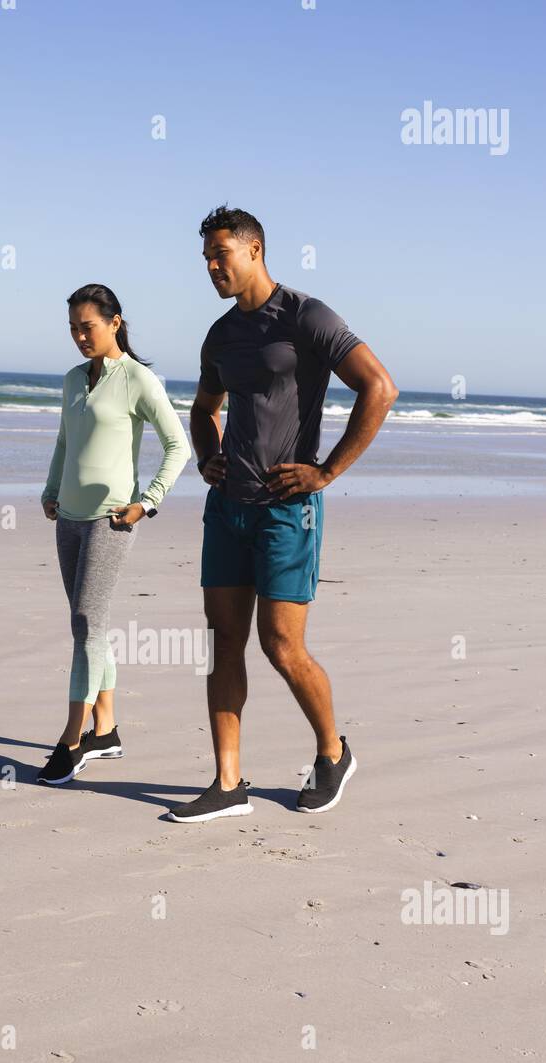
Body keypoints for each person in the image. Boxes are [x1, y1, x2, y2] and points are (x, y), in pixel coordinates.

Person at [167, 206, 398, 823]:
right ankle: (228, 782)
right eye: (207, 258)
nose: (213, 267)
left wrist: (326, 472)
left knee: (281, 645)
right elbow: (203, 406)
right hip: (229, 509)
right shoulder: (220, 334)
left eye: (222, 254)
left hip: (286, 511)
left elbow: (379, 386)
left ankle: (333, 751)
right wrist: (208, 456)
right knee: (225, 644)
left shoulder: (306, 316)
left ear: (255, 250)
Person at [38, 284, 190, 785]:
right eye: (74, 329)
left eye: (89, 327)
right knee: (89, 626)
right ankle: (107, 729)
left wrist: (147, 502)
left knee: (86, 622)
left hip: (111, 520)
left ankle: (72, 739)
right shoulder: (72, 380)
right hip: (69, 519)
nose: (81, 337)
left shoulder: (140, 381)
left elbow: (178, 446)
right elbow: (66, 438)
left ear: (115, 322)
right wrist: (51, 488)